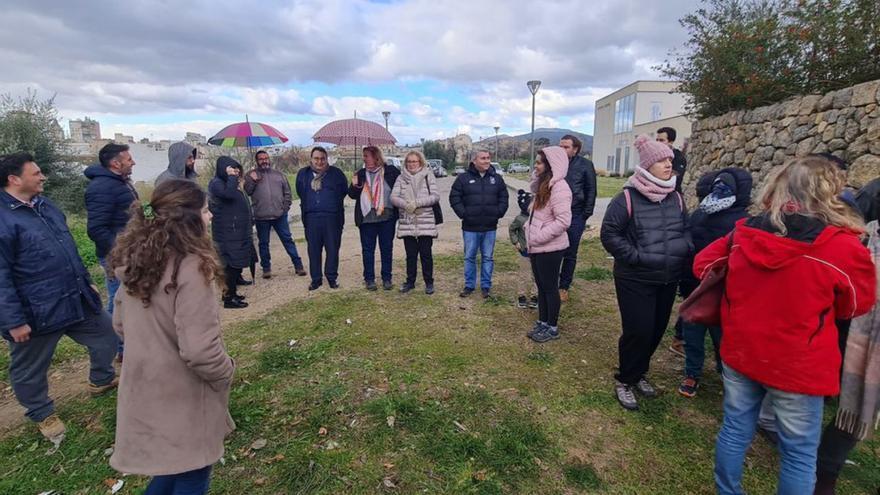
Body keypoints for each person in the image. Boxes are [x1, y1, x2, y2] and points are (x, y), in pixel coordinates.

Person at [694, 156, 875, 495]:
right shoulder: (841, 246)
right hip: (798, 363)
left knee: (735, 429)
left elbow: (704, 265)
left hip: (741, 349)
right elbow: (854, 305)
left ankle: (726, 490)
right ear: (830, 193)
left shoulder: (746, 231)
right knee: (798, 452)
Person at [108, 179, 235, 495]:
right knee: (193, 470)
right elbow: (200, 350)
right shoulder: (192, 268)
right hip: (181, 391)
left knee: (174, 465)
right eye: (205, 211)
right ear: (188, 219)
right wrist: (226, 373)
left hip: (144, 383)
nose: (210, 217)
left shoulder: (137, 259)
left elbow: (120, 324)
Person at [0, 152, 118, 442]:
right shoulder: (3, 219)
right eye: (36, 173)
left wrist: (87, 282)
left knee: (108, 334)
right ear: (14, 179)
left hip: (74, 296)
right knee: (30, 367)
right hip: (36, 309)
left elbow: (68, 248)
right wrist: (13, 320)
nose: (42, 176)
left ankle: (101, 379)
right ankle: (41, 411)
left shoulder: (45, 205)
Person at [601, 135, 691, 411]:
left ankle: (640, 373)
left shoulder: (675, 197)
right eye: (662, 160)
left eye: (670, 160)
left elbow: (685, 229)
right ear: (647, 165)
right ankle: (625, 379)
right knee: (638, 331)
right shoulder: (626, 197)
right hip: (635, 278)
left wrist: (684, 248)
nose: (669, 164)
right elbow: (609, 234)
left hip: (667, 277)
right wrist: (636, 257)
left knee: (655, 331)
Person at [677, 168, 752, 398]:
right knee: (693, 334)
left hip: (725, 290)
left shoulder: (745, 223)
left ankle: (726, 372)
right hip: (696, 284)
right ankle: (692, 373)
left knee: (723, 336)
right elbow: (688, 246)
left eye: (726, 188)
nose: (720, 191)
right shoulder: (701, 214)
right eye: (718, 186)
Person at [85, 143, 139, 361]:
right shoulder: (101, 188)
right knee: (119, 299)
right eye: (129, 159)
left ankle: (129, 345)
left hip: (132, 252)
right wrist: (121, 251)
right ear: (115, 164)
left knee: (130, 297)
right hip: (117, 256)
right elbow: (96, 229)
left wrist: (155, 216)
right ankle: (120, 349)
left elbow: (136, 208)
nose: (133, 162)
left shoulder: (123, 183)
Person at [525, 147, 572, 343]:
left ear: (551, 165)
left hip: (550, 248)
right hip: (536, 246)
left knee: (550, 287)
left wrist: (537, 237)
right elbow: (537, 214)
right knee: (541, 287)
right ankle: (543, 322)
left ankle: (552, 328)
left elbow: (563, 221)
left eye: (539, 162)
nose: (535, 166)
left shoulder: (560, 187)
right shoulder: (544, 185)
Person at [449, 150, 509, 298]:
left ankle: (486, 286)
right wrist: (464, 214)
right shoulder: (463, 179)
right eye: (483, 158)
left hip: (490, 227)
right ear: (474, 161)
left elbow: (504, 198)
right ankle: (469, 285)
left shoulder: (497, 179)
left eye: (488, 158)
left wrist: (498, 213)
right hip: (470, 227)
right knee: (470, 257)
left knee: (488, 257)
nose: (487, 161)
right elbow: (454, 198)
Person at [243, 150, 305, 279]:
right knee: (263, 243)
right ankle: (266, 268)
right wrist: (253, 181)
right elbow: (247, 192)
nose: (264, 160)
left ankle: (298, 265)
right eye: (261, 159)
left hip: (279, 215)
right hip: (261, 216)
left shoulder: (279, 175)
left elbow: (287, 193)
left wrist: (285, 208)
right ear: (257, 161)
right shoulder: (250, 175)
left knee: (288, 240)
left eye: (266, 158)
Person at [295, 147, 348, 291]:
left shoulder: (336, 174)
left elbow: (343, 191)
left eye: (322, 159)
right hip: (312, 218)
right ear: (311, 159)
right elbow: (300, 191)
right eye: (316, 158)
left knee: (332, 248)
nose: (319, 162)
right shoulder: (303, 174)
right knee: (313, 249)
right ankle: (316, 279)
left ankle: (331, 277)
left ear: (326, 159)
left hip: (332, 217)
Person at [348, 145, 400, 291]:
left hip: (386, 217)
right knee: (368, 250)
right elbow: (352, 195)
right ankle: (369, 279)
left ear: (376, 157)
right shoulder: (360, 173)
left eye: (366, 156)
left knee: (386, 248)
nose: (364, 159)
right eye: (363, 156)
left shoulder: (391, 171)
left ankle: (387, 278)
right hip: (367, 219)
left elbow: (400, 189)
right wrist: (355, 185)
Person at [208, 156, 257, 309]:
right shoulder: (217, 183)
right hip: (228, 233)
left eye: (237, 169)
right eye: (232, 169)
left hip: (237, 231)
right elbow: (228, 195)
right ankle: (229, 298)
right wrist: (231, 177)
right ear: (224, 168)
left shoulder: (232, 182)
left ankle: (233, 292)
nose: (236, 172)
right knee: (231, 266)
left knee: (236, 263)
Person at [656, 126, 688, 356]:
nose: (659, 142)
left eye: (662, 140)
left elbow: (673, 181)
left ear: (671, 142)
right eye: (656, 139)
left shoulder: (677, 160)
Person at [390, 151, 439, 294]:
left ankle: (429, 282)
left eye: (415, 161)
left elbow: (435, 196)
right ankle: (410, 281)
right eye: (409, 161)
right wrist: (406, 205)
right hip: (408, 221)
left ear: (421, 162)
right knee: (410, 255)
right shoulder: (400, 178)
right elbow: (393, 197)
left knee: (426, 254)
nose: (412, 164)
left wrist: (417, 203)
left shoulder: (428, 176)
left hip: (425, 221)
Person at [557, 134, 597, 303]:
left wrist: (585, 214)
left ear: (575, 149)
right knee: (553, 251)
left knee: (570, 252)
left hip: (576, 215)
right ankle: (551, 284)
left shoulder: (585, 165)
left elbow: (591, 190)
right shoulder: (554, 164)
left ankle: (564, 286)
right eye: (560, 146)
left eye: (566, 147)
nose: (562, 150)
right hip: (556, 215)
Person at [509, 190, 537, 309]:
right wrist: (516, 242)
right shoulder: (520, 219)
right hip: (524, 252)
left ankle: (535, 296)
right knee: (524, 275)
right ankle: (521, 296)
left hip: (536, 252)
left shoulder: (537, 217)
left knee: (536, 275)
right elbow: (512, 229)